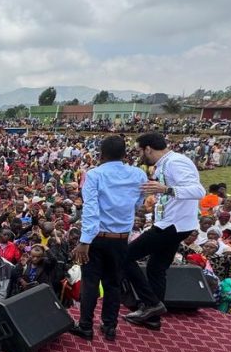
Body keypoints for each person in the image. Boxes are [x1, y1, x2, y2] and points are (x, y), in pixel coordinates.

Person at [124, 132, 206, 330]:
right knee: (156, 268)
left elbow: (198, 191)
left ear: (148, 148)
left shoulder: (176, 162)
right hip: (173, 224)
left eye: (140, 151)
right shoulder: (165, 163)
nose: (140, 155)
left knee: (124, 256)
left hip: (172, 225)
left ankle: (151, 304)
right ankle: (152, 318)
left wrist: (165, 190)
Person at [71, 135, 147, 341]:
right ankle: (110, 326)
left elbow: (91, 210)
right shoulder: (139, 175)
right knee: (113, 283)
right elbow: (139, 203)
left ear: (101, 154)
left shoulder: (94, 175)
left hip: (96, 238)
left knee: (90, 283)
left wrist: (84, 241)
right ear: (125, 154)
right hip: (121, 239)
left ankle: (86, 326)